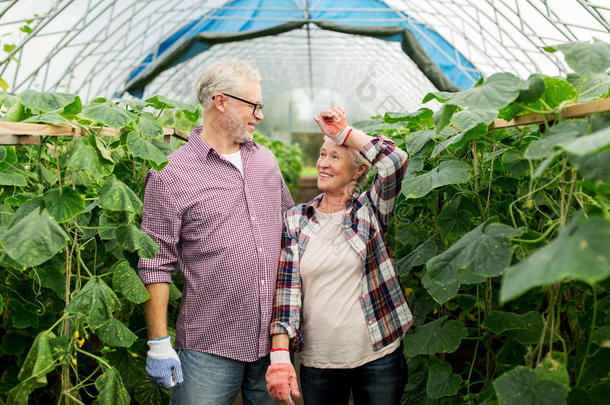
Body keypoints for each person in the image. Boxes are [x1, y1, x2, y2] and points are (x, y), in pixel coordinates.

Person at [138, 59, 294, 405]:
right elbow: (155, 263)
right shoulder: (170, 174)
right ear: (220, 101)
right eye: (254, 106)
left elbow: (290, 234)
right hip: (210, 345)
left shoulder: (266, 161)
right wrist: (158, 343)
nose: (260, 115)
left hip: (273, 345)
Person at [265, 107, 413, 405]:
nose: (323, 163)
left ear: (359, 170)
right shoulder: (296, 219)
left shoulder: (369, 211)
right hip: (319, 362)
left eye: (335, 156)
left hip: (378, 354)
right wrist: (280, 357)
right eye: (322, 154)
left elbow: (395, 162)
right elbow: (286, 293)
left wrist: (344, 133)